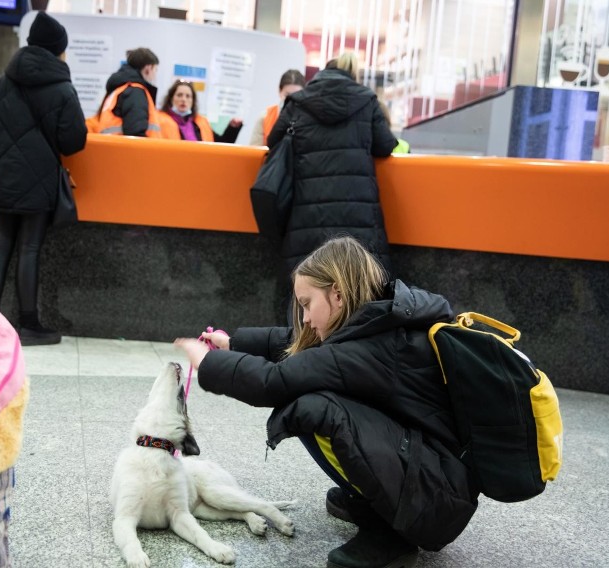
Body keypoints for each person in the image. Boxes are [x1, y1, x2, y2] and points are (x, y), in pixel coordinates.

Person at [174, 236, 478, 568]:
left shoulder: (369, 347)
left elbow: (273, 382)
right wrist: (234, 344)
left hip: (431, 501)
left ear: (337, 294)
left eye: (306, 303)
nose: (304, 317)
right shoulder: (379, 323)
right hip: (434, 481)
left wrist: (207, 362)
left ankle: (390, 534)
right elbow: (299, 343)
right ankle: (369, 500)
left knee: (312, 406)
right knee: (314, 390)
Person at [0, 11, 86, 346]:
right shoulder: (62, 87)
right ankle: (28, 324)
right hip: (36, 179)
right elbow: (74, 141)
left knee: (0, 245)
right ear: (57, 49)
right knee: (30, 248)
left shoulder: (2, 80)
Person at [268, 53, 399, 276]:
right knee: (357, 285)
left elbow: (273, 141)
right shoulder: (367, 100)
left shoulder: (298, 101)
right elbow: (386, 145)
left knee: (309, 284)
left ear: (322, 73)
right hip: (358, 213)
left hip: (306, 212)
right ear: (351, 74)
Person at [95, 47, 161, 137]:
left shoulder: (120, 89)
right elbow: (136, 131)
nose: (155, 75)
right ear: (148, 68)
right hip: (128, 149)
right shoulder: (135, 92)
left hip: (114, 147)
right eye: (155, 70)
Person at [158, 80, 243, 143]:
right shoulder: (158, 120)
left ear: (193, 101)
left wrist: (233, 128)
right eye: (179, 95)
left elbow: (221, 144)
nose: (183, 99)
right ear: (171, 99)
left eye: (188, 96)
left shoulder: (201, 122)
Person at [248, 69, 306, 146]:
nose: (291, 99)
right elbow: (255, 151)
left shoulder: (308, 118)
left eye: (296, 95)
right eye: (287, 95)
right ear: (280, 91)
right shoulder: (265, 117)